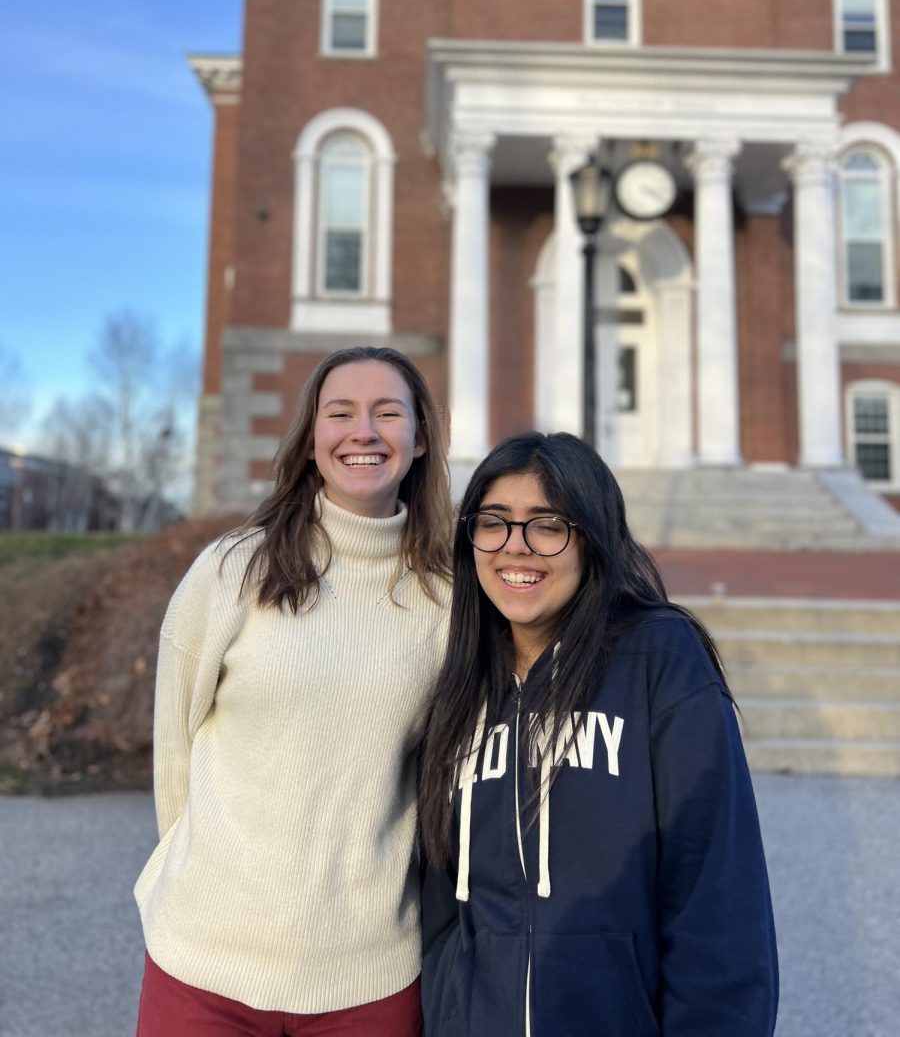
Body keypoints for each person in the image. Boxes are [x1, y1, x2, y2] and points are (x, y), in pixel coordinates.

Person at [134, 346, 452, 1037]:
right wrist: (186, 877)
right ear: (312, 439)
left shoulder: (448, 598)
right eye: (340, 413)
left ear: (420, 438)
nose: (362, 431)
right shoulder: (232, 571)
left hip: (369, 979)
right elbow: (174, 747)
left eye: (387, 413)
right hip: (202, 968)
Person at [418, 431, 778, 1037]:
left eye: (547, 525)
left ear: (592, 537)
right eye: (494, 522)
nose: (517, 548)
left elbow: (718, 899)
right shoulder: (461, 683)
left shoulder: (657, 658)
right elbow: (440, 902)